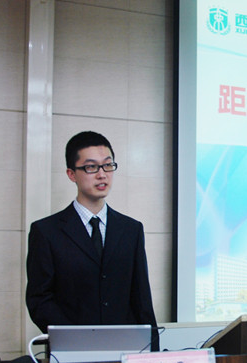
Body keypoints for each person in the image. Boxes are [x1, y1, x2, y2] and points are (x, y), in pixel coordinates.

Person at [25, 131, 158, 349]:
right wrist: (76, 340)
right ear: (71, 174)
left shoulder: (131, 229)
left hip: (125, 350)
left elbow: (142, 299)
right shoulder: (46, 231)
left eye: (107, 165)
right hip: (71, 353)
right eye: (91, 167)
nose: (102, 174)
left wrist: (152, 352)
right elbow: (39, 300)